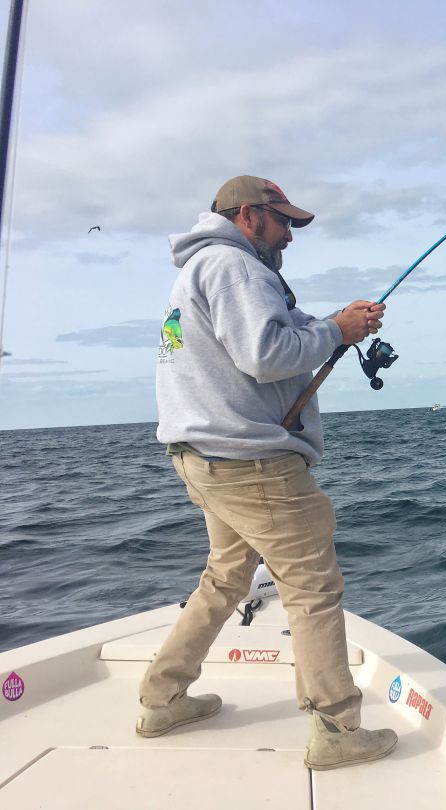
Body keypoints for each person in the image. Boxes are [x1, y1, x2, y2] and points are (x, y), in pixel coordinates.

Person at [139, 175, 397, 770]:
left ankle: (162, 698)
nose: (290, 235)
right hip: (252, 462)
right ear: (250, 216)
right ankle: (336, 729)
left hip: (202, 458)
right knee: (311, 585)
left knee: (226, 576)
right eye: (284, 223)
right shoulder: (236, 267)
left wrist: (337, 321)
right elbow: (265, 354)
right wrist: (339, 331)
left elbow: (277, 331)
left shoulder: (198, 272)